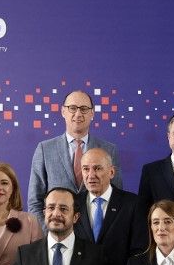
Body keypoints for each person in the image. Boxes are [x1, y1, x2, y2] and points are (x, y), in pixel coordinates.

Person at [27, 89, 122, 226]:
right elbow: (35, 202)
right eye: (72, 108)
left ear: (92, 113)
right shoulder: (44, 149)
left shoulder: (109, 150)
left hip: (96, 237)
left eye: (84, 109)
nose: (78, 114)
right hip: (57, 235)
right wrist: (51, 235)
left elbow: (116, 199)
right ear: (63, 111)